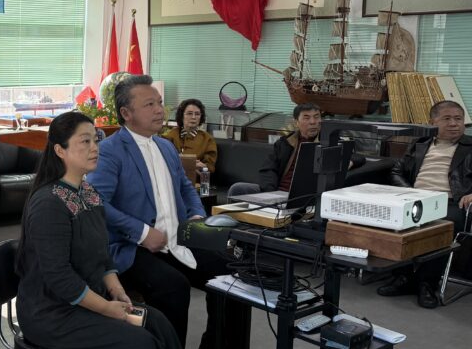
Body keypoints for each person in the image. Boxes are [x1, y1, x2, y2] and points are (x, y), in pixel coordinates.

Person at [17, 111, 186, 349]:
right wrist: (107, 309)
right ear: (60, 150)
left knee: (157, 324)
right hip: (51, 312)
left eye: (95, 140)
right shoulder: (48, 203)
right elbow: (60, 279)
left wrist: (116, 290)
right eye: (85, 141)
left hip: (87, 298)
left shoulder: (89, 194)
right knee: (134, 344)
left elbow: (101, 256)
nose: (95, 147)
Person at [86, 76, 261, 349]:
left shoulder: (166, 147)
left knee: (233, 272)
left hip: (177, 239)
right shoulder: (110, 151)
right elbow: (97, 203)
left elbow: (185, 187)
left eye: (159, 103)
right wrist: (143, 232)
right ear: (126, 113)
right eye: (149, 104)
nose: (159, 110)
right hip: (133, 247)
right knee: (173, 287)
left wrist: (195, 214)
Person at [379, 100, 472, 308]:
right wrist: (409, 191)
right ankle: (404, 277)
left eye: (458, 119)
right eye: (447, 119)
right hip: (415, 198)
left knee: (439, 227)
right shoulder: (420, 144)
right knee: (391, 220)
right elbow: (396, 171)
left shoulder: (470, 146)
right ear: (432, 122)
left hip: (451, 202)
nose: (454, 123)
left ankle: (427, 284)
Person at [228, 103, 365, 198]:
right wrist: (269, 194)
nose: (313, 122)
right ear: (296, 122)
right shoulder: (285, 142)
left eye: (316, 117)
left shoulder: (328, 142)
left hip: (303, 196)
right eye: (306, 117)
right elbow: (268, 169)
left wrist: (349, 161)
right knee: (238, 189)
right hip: (276, 192)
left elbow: (359, 157)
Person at [161, 98, 217, 174]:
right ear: (182, 116)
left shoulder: (207, 139)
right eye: (189, 113)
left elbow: (210, 167)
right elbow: (163, 160)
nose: (193, 117)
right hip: (173, 176)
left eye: (197, 114)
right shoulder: (170, 136)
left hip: (195, 177)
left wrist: (202, 166)